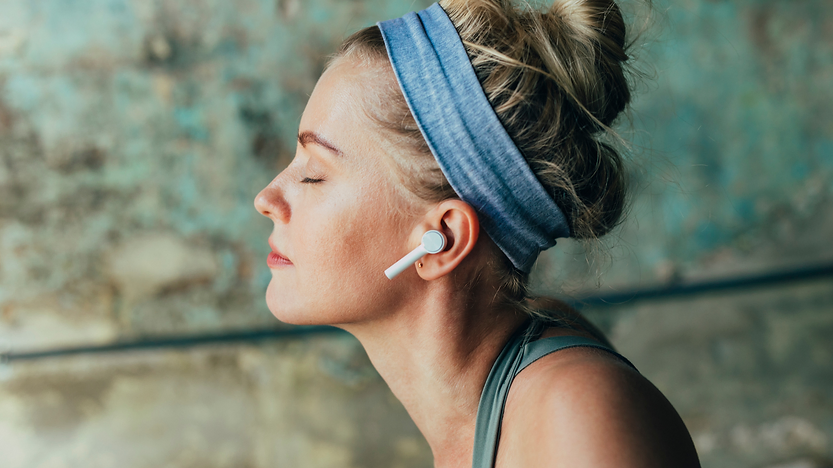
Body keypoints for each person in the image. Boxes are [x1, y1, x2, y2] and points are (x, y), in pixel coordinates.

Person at [254, 0, 701, 466]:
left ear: (441, 237)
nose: (265, 198)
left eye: (312, 174)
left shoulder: (575, 416)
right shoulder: (518, 397)